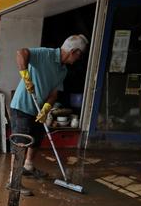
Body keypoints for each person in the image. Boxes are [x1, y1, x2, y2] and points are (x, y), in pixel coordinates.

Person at [9, 34, 89, 195]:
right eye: (80, 55)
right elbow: (21, 53)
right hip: (22, 106)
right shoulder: (45, 54)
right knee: (21, 143)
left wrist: (46, 107)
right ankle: (14, 180)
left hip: (38, 109)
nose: (79, 59)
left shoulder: (63, 70)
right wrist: (25, 75)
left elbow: (54, 93)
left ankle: (28, 167)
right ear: (74, 52)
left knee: (36, 139)